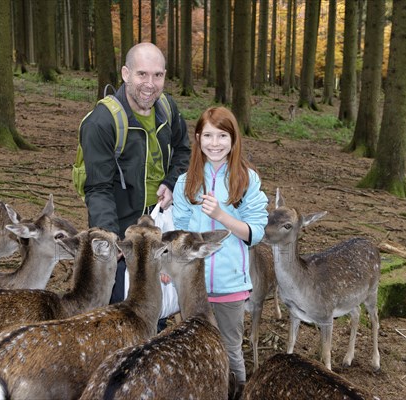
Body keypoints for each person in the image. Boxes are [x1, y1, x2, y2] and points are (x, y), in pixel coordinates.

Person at [79, 42, 190, 305]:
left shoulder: (168, 109)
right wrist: (112, 241)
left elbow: (184, 151)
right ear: (126, 74)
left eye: (158, 75)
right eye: (142, 74)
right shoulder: (102, 122)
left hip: (160, 225)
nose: (150, 84)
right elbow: (98, 188)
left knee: (158, 304)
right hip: (122, 230)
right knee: (123, 308)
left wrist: (171, 182)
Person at [172, 106, 268, 387]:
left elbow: (256, 233)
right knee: (194, 349)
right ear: (198, 138)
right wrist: (171, 268)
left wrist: (221, 216)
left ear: (234, 139)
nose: (215, 144)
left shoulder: (246, 180)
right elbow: (179, 232)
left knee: (230, 350)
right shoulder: (185, 182)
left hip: (230, 285)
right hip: (192, 285)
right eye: (209, 136)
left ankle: (236, 393)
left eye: (222, 136)